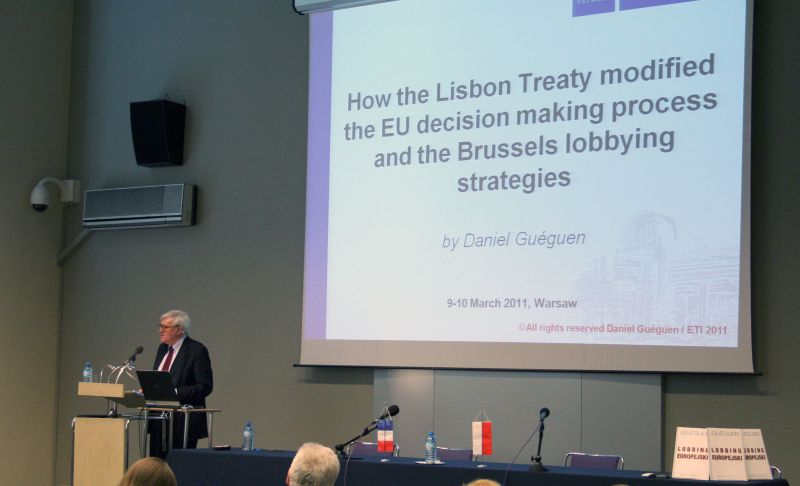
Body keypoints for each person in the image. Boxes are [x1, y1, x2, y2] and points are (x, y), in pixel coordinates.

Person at [148, 309, 213, 458]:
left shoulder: (196, 350)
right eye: (160, 326)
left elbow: (204, 386)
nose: (161, 330)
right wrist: (149, 389)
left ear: (179, 330)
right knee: (156, 466)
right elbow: (160, 382)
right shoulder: (162, 349)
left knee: (178, 467)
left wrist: (174, 393)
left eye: (165, 327)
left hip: (182, 421)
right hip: (158, 419)